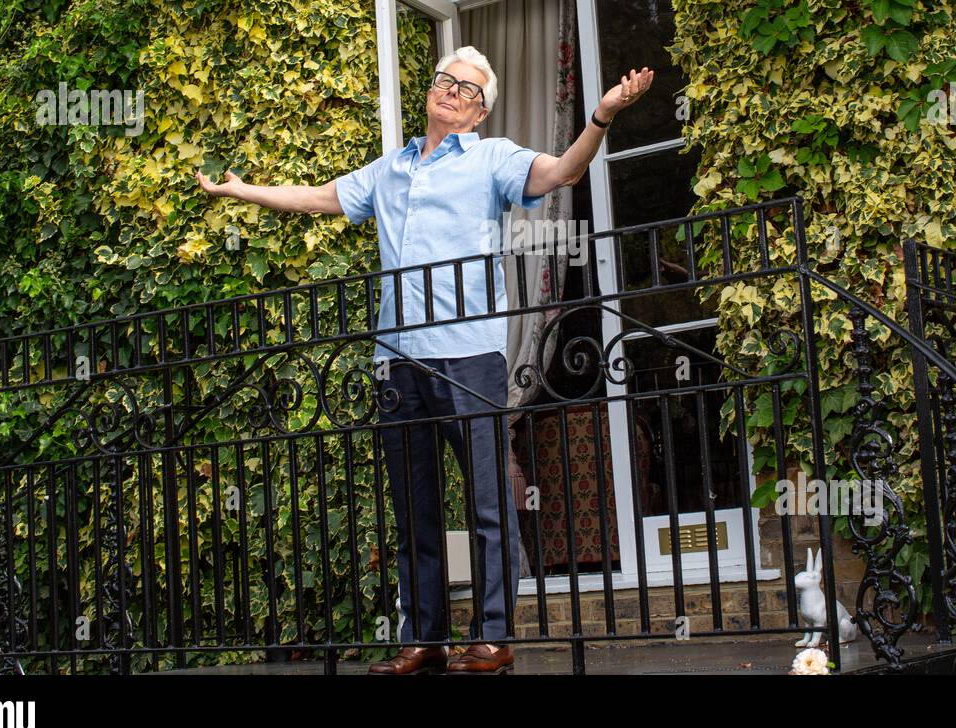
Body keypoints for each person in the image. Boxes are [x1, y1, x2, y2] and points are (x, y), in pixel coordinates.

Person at [196, 46, 653, 673]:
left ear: (480, 111)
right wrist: (243, 191)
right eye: (445, 81)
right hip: (398, 360)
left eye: (466, 89)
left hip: (469, 356)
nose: (451, 92)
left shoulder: (493, 158)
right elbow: (322, 197)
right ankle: (425, 638)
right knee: (414, 509)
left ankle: (492, 638)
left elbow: (561, 175)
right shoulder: (391, 169)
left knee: (488, 503)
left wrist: (599, 117)